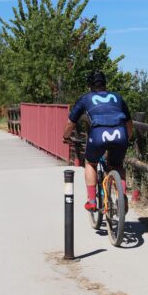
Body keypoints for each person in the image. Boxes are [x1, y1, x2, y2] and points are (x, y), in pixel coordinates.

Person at [62, 71, 133, 211]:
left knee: (91, 163)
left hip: (99, 134)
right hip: (121, 133)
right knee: (117, 165)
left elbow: (71, 123)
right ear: (105, 84)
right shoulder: (117, 97)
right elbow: (129, 122)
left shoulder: (85, 99)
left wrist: (65, 136)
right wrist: (127, 138)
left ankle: (92, 201)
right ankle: (122, 197)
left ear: (89, 86)